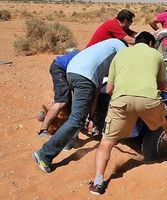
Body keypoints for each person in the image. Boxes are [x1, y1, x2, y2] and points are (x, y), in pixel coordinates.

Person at [89, 32, 167, 195]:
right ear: (150, 43)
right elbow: (163, 85)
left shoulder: (120, 55)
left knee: (107, 141)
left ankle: (98, 181)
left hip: (121, 101)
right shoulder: (156, 55)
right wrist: (161, 87)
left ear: (136, 42)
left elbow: (109, 89)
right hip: (149, 100)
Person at [32, 39, 127, 173]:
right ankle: (44, 155)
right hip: (84, 77)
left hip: (72, 72)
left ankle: (69, 142)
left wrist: (92, 117)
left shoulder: (101, 60)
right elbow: (128, 61)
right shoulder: (120, 45)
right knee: (77, 119)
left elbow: (95, 93)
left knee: (76, 116)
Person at [38, 50, 79, 137]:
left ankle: (47, 116)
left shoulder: (87, 53)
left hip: (63, 68)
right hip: (60, 68)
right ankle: (44, 130)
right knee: (62, 100)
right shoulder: (86, 56)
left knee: (64, 96)